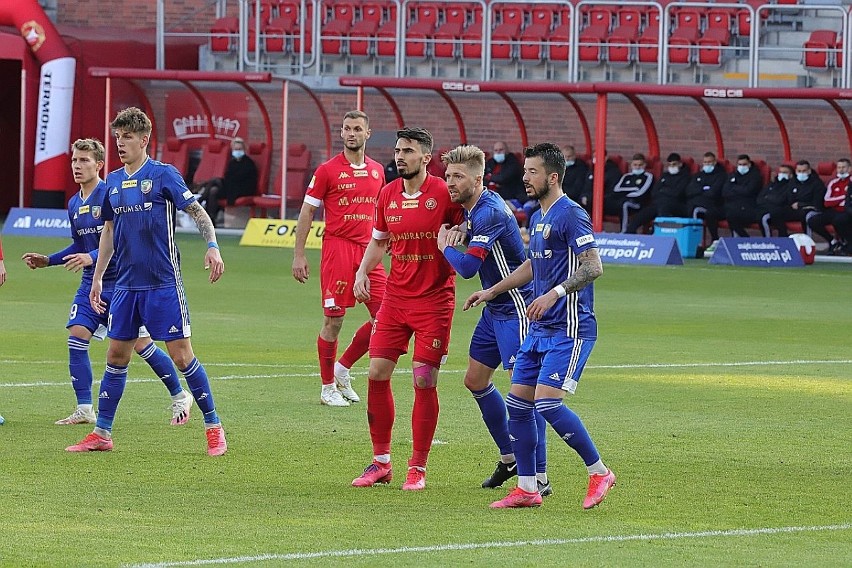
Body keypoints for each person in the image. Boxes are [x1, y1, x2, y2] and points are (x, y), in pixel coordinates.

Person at [66, 107, 227, 456]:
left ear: (143, 139)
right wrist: (96, 279)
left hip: (162, 284)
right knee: (116, 355)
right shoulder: (112, 186)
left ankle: (213, 426)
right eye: (117, 137)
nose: (120, 144)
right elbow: (108, 231)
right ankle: (102, 433)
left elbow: (197, 212)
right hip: (124, 286)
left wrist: (212, 246)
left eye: (126, 137)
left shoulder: (163, 175)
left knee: (183, 357)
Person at [465, 142, 614, 510]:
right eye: (525, 171)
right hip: (540, 329)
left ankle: (599, 472)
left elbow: (593, 266)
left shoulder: (571, 214)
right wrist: (491, 290)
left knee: (547, 404)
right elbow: (532, 266)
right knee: (518, 403)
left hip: (570, 327)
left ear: (552, 176)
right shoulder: (537, 217)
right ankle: (529, 487)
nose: (525, 177)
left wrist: (555, 293)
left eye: (532, 172)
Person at [22, 138, 193, 426]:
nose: (77, 166)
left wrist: (92, 257)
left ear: (99, 164)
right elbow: (78, 244)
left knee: (142, 345)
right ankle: (85, 409)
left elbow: (119, 239)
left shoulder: (112, 192)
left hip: (124, 283)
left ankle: (180, 394)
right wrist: (48, 260)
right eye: (74, 161)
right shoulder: (74, 203)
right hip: (92, 284)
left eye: (84, 160)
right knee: (76, 338)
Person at [350, 127, 464, 491]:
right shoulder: (387, 194)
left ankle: (418, 466)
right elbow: (379, 241)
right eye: (398, 150)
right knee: (376, 372)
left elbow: (467, 236)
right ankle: (381, 462)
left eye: (408, 151)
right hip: (396, 298)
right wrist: (362, 271)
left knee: (422, 378)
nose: (400, 156)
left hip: (434, 300)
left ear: (426, 157)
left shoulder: (446, 195)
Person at [436, 144, 551, 497]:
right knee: (475, 380)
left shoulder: (489, 213)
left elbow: (468, 268)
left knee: (524, 395)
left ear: (477, 178)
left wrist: (446, 247)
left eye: (458, 177)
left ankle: (540, 477)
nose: (450, 183)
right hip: (493, 308)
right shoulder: (471, 210)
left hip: (516, 307)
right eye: (448, 176)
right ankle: (511, 457)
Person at [292, 110, 387, 407]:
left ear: (367, 133)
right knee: (334, 321)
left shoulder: (377, 170)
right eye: (346, 128)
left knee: (385, 318)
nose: (351, 133)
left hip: (369, 251)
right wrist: (299, 254)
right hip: (338, 249)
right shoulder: (327, 171)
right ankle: (327, 387)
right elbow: (307, 211)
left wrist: (390, 241)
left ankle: (342, 368)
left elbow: (381, 213)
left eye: (357, 129)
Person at [625, 152, 691, 234]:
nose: (672, 167)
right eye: (670, 165)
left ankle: (655, 234)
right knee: (639, 217)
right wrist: (665, 192)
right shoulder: (665, 176)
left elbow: (677, 193)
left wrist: (663, 191)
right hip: (658, 203)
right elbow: (654, 192)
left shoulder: (686, 177)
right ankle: (629, 235)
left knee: (663, 209)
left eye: (674, 164)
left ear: (680, 164)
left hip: (677, 205)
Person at [198, 137, 258, 226]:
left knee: (216, 181)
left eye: (240, 149)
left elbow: (243, 180)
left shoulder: (249, 163)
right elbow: (228, 177)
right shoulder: (232, 162)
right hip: (231, 187)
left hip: (243, 189)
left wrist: (227, 183)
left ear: (244, 150)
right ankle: (211, 218)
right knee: (213, 190)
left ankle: (200, 200)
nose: (237, 151)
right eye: (235, 149)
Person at [807, 158, 852, 254]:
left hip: (847, 211)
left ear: (849, 169)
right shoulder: (833, 183)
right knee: (813, 221)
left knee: (839, 220)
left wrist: (842, 199)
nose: (841, 170)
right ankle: (832, 241)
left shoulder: (851, 182)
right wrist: (844, 196)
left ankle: (847, 244)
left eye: (844, 167)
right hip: (833, 211)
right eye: (839, 167)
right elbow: (827, 202)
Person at [484, 141, 532, 223]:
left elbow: (503, 178)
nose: (498, 152)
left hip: (511, 197)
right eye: (496, 150)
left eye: (501, 150)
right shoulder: (491, 162)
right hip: (492, 198)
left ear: (507, 151)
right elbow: (482, 178)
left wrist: (490, 177)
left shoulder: (512, 162)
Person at [606, 153, 654, 233]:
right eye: (635, 165)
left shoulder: (648, 176)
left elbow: (641, 192)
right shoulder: (626, 176)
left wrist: (626, 193)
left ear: (644, 165)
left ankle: (624, 231)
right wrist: (633, 189)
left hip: (638, 203)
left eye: (640, 165)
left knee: (624, 204)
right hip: (621, 200)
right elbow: (616, 189)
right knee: (605, 201)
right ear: (631, 165)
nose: (637, 167)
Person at [686, 152, 727, 244]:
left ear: (715, 162)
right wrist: (703, 189)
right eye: (705, 162)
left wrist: (698, 191)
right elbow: (689, 191)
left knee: (695, 209)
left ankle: (696, 243)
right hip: (697, 202)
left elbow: (714, 193)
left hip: (714, 205)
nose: (707, 165)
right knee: (689, 206)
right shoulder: (698, 175)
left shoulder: (721, 175)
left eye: (709, 162)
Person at [722, 154, 763, 237]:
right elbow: (724, 192)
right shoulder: (733, 175)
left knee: (731, 216)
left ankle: (745, 239)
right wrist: (740, 189)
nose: (742, 167)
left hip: (748, 207)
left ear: (749, 164)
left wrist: (733, 188)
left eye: (744, 164)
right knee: (712, 213)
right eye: (740, 164)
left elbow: (748, 191)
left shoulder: (755, 176)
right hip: (731, 205)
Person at [755, 164, 795, 237]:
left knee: (764, 218)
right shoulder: (772, 184)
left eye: (785, 172)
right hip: (764, 209)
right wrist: (770, 199)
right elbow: (760, 198)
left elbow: (781, 200)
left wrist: (768, 198)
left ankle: (769, 242)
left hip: (780, 211)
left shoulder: (791, 186)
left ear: (791, 175)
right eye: (780, 172)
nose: (781, 174)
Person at [561, 145, 591, 212]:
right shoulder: (558, 168)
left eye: (569, 156)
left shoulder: (581, 168)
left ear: (574, 156)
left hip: (573, 200)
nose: (567, 159)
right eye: (564, 157)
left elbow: (577, 189)